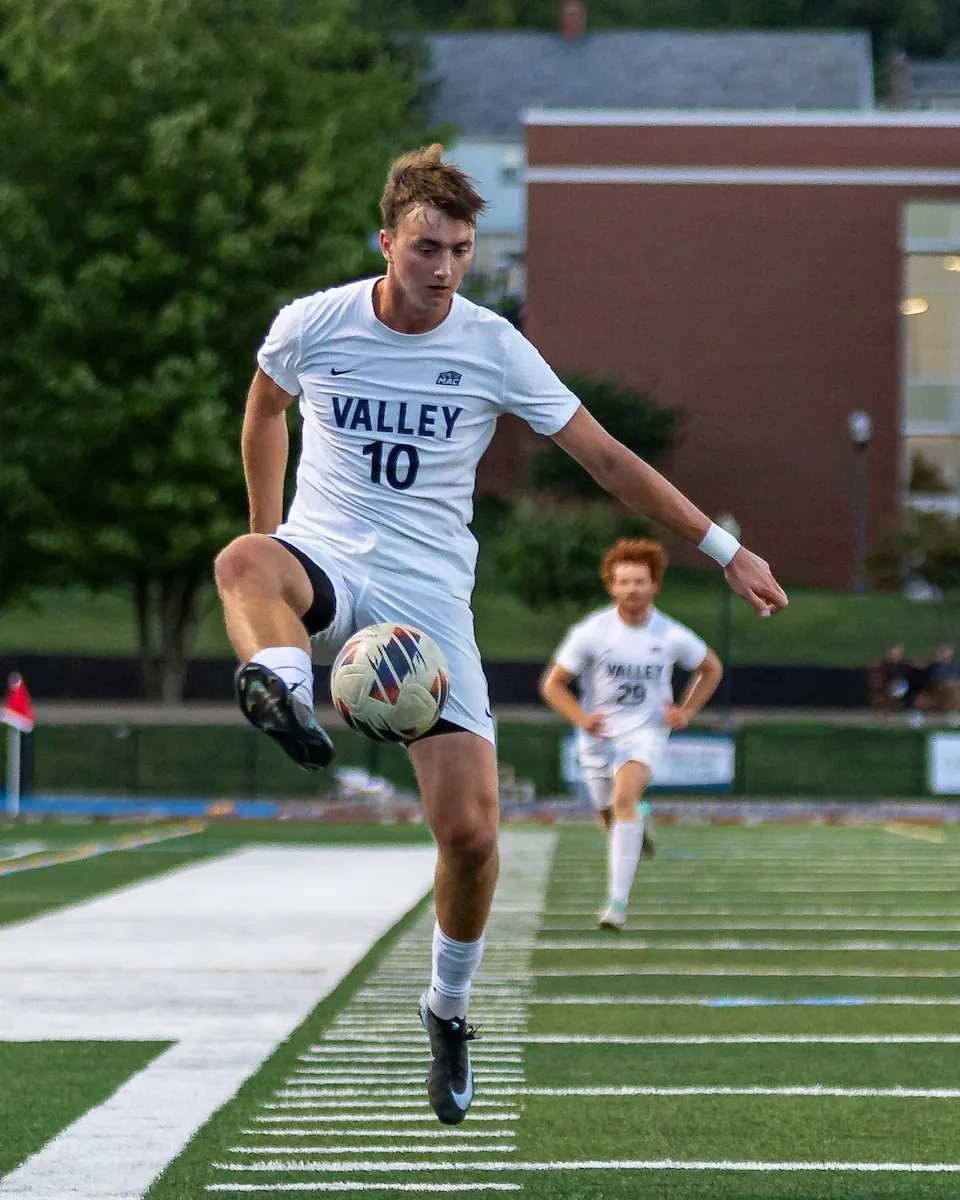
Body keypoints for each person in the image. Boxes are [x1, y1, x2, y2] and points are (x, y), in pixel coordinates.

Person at [212, 144, 788, 1125]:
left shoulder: (491, 345)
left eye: (462, 251)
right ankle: (283, 689)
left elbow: (605, 458)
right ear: (385, 241)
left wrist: (722, 547)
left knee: (473, 838)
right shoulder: (313, 323)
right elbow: (266, 405)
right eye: (426, 248)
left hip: (428, 604)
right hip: (324, 557)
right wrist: (269, 521)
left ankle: (447, 1009)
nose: (443, 268)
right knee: (241, 560)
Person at [540, 538, 723, 931]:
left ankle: (615, 906)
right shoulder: (591, 631)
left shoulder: (670, 634)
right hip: (598, 736)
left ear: (654, 584)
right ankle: (638, 821)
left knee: (623, 799)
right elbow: (553, 685)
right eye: (623, 582)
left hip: (646, 732)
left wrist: (687, 710)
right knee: (610, 813)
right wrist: (581, 718)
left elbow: (711, 668)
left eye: (640, 581)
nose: (631, 590)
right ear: (611, 585)